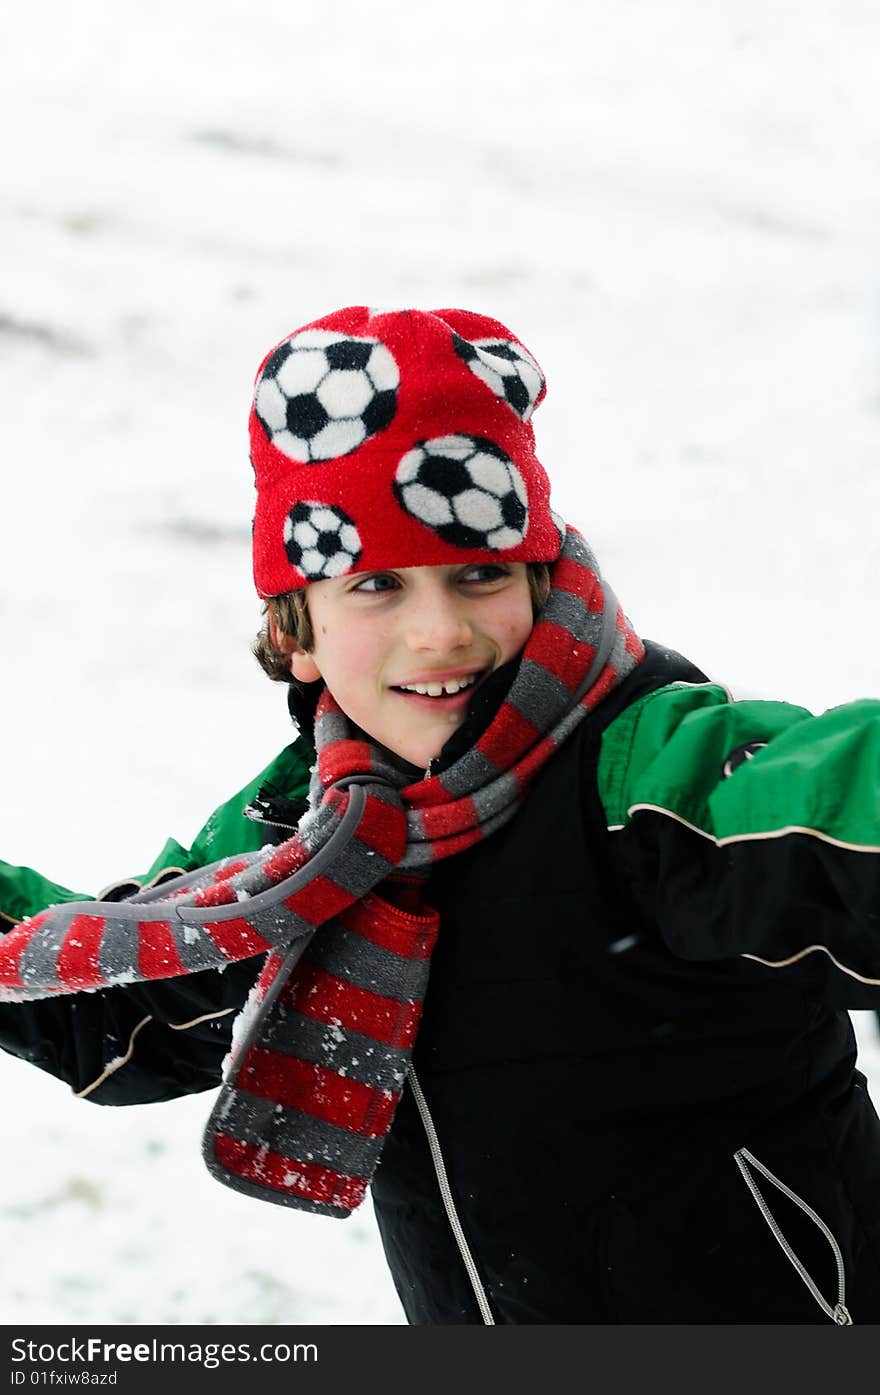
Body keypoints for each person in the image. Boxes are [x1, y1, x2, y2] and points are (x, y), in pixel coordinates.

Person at [1, 305, 879, 1325]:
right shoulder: (308, 838)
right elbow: (127, 1010)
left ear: (540, 580)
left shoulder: (645, 780)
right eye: (375, 586)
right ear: (300, 635)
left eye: (479, 574)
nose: (441, 631)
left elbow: (832, 806)